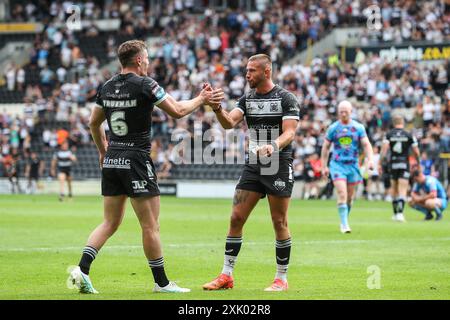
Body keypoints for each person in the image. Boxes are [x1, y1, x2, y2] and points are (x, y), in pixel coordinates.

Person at [67, 40, 223, 294]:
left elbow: (94, 123)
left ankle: (82, 270)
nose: (149, 62)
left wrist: (104, 152)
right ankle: (161, 283)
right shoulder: (146, 84)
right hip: (137, 160)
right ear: (139, 60)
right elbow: (178, 111)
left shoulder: (106, 87)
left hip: (113, 159)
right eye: (147, 58)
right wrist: (202, 98)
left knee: (109, 222)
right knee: (151, 226)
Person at [202, 54, 301, 292]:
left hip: (278, 164)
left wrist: (273, 145)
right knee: (236, 218)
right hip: (254, 165)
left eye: (252, 71)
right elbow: (228, 123)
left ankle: (281, 279)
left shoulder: (286, 98)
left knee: (279, 221)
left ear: (266, 72)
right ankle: (226, 276)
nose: (248, 75)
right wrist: (216, 108)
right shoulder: (247, 98)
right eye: (247, 70)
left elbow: (290, 133)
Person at [320, 100, 374, 233]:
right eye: (341, 112)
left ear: (351, 112)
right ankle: (344, 225)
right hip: (337, 165)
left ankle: (344, 220)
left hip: (353, 166)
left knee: (350, 198)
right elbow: (325, 147)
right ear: (338, 113)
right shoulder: (333, 128)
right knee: (342, 194)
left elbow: (366, 145)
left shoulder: (358, 127)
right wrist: (324, 166)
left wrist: (370, 159)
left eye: (346, 111)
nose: (343, 114)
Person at [379, 115, 420, 222]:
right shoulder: (409, 135)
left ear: (393, 123)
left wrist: (379, 163)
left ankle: (395, 213)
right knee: (403, 189)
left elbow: (383, 151)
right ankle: (400, 214)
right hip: (404, 164)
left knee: (394, 189)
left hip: (393, 164)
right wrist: (418, 163)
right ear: (403, 122)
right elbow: (416, 152)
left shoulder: (389, 134)